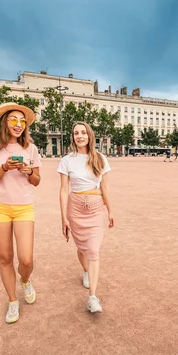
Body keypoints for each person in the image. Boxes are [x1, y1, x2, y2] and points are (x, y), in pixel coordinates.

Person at [0, 102, 41, 324]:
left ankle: (25, 280)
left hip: (24, 207)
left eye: (22, 121)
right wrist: (3, 168)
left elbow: (37, 181)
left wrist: (29, 171)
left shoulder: (30, 148)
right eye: (14, 119)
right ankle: (13, 301)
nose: (19, 124)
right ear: (5, 121)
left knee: (26, 259)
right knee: (5, 258)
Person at [58, 122, 115, 314]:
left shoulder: (100, 158)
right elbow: (64, 190)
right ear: (73, 137)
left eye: (83, 132)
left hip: (96, 209)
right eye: (76, 133)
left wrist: (110, 210)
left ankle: (92, 298)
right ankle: (85, 271)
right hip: (75, 210)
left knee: (93, 249)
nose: (79, 136)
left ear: (90, 136)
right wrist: (63, 217)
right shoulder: (67, 160)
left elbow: (105, 187)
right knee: (81, 247)